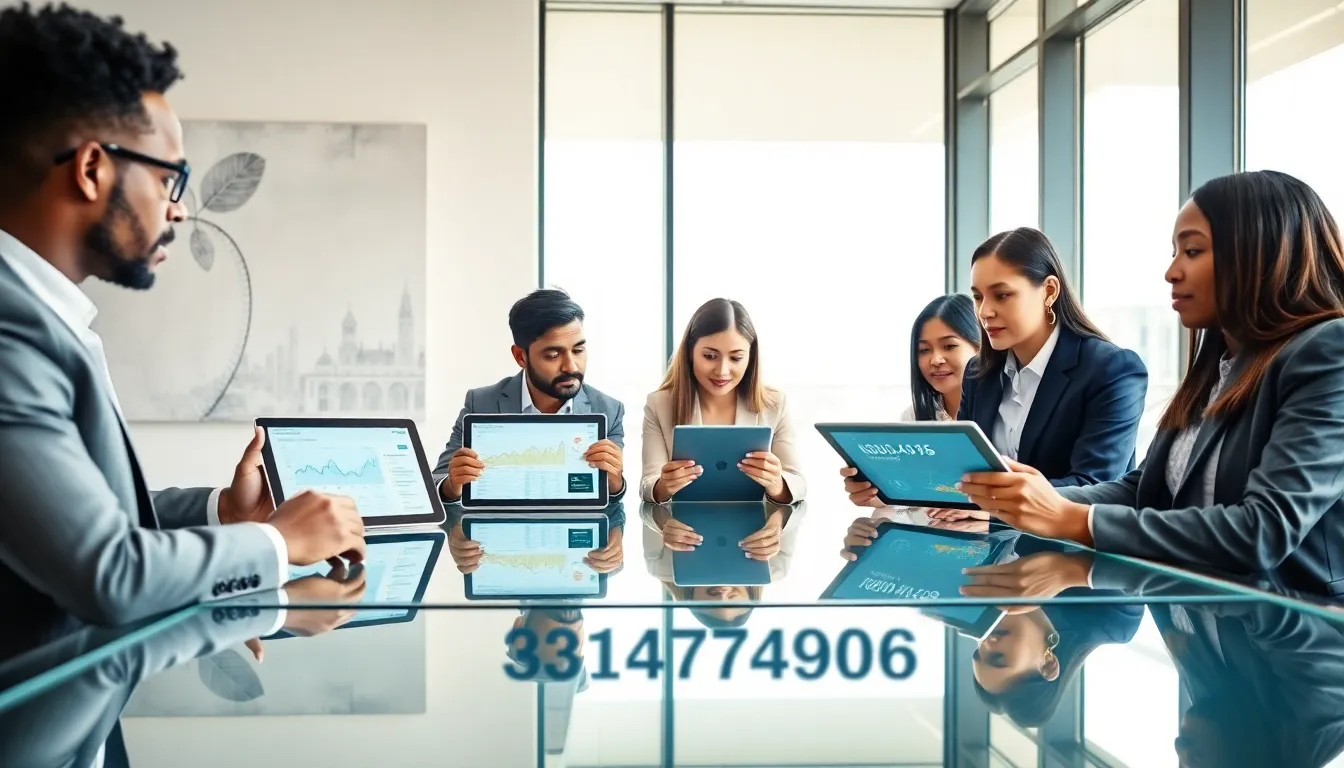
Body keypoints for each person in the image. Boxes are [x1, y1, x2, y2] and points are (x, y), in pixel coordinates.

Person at [0, 3, 366, 661]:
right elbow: (108, 577)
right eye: (171, 177)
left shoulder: (39, 316)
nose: (178, 208)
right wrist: (279, 544)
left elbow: (84, 526)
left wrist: (223, 513)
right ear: (91, 170)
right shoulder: (8, 335)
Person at [956, 170, 1344, 595]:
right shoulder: (1218, 366)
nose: (1172, 272)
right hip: (1205, 631)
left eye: (1192, 250)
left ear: (1262, 253)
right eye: (1175, 252)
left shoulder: (1327, 350)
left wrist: (1071, 519)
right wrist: (1025, 498)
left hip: (1297, 640)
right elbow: (1147, 488)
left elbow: (1263, 531)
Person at [435, 288, 625, 573]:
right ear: (520, 357)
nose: (571, 366)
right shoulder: (482, 403)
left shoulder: (608, 409)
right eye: (553, 354)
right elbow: (439, 480)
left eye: (578, 350)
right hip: (500, 548)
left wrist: (615, 479)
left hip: (575, 553)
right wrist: (452, 484)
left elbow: (614, 499)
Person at [961, 227, 1148, 487]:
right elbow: (960, 472)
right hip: (988, 529)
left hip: (1069, 528)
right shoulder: (978, 373)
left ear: (1049, 291)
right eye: (978, 297)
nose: (984, 311)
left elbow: (1095, 486)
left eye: (1002, 295)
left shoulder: (1112, 370)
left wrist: (992, 507)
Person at [641, 298, 805, 504]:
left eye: (736, 358)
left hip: (753, 529)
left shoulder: (774, 404)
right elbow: (648, 485)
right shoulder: (659, 404)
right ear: (691, 352)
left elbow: (798, 483)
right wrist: (663, 486)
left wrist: (777, 484)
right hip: (685, 531)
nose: (722, 371)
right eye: (710, 356)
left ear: (750, 358)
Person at [841, 293, 982, 522]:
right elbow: (912, 497)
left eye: (949, 346)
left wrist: (988, 512)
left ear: (980, 346)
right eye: (924, 350)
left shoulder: (1008, 412)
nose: (935, 359)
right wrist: (878, 495)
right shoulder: (915, 416)